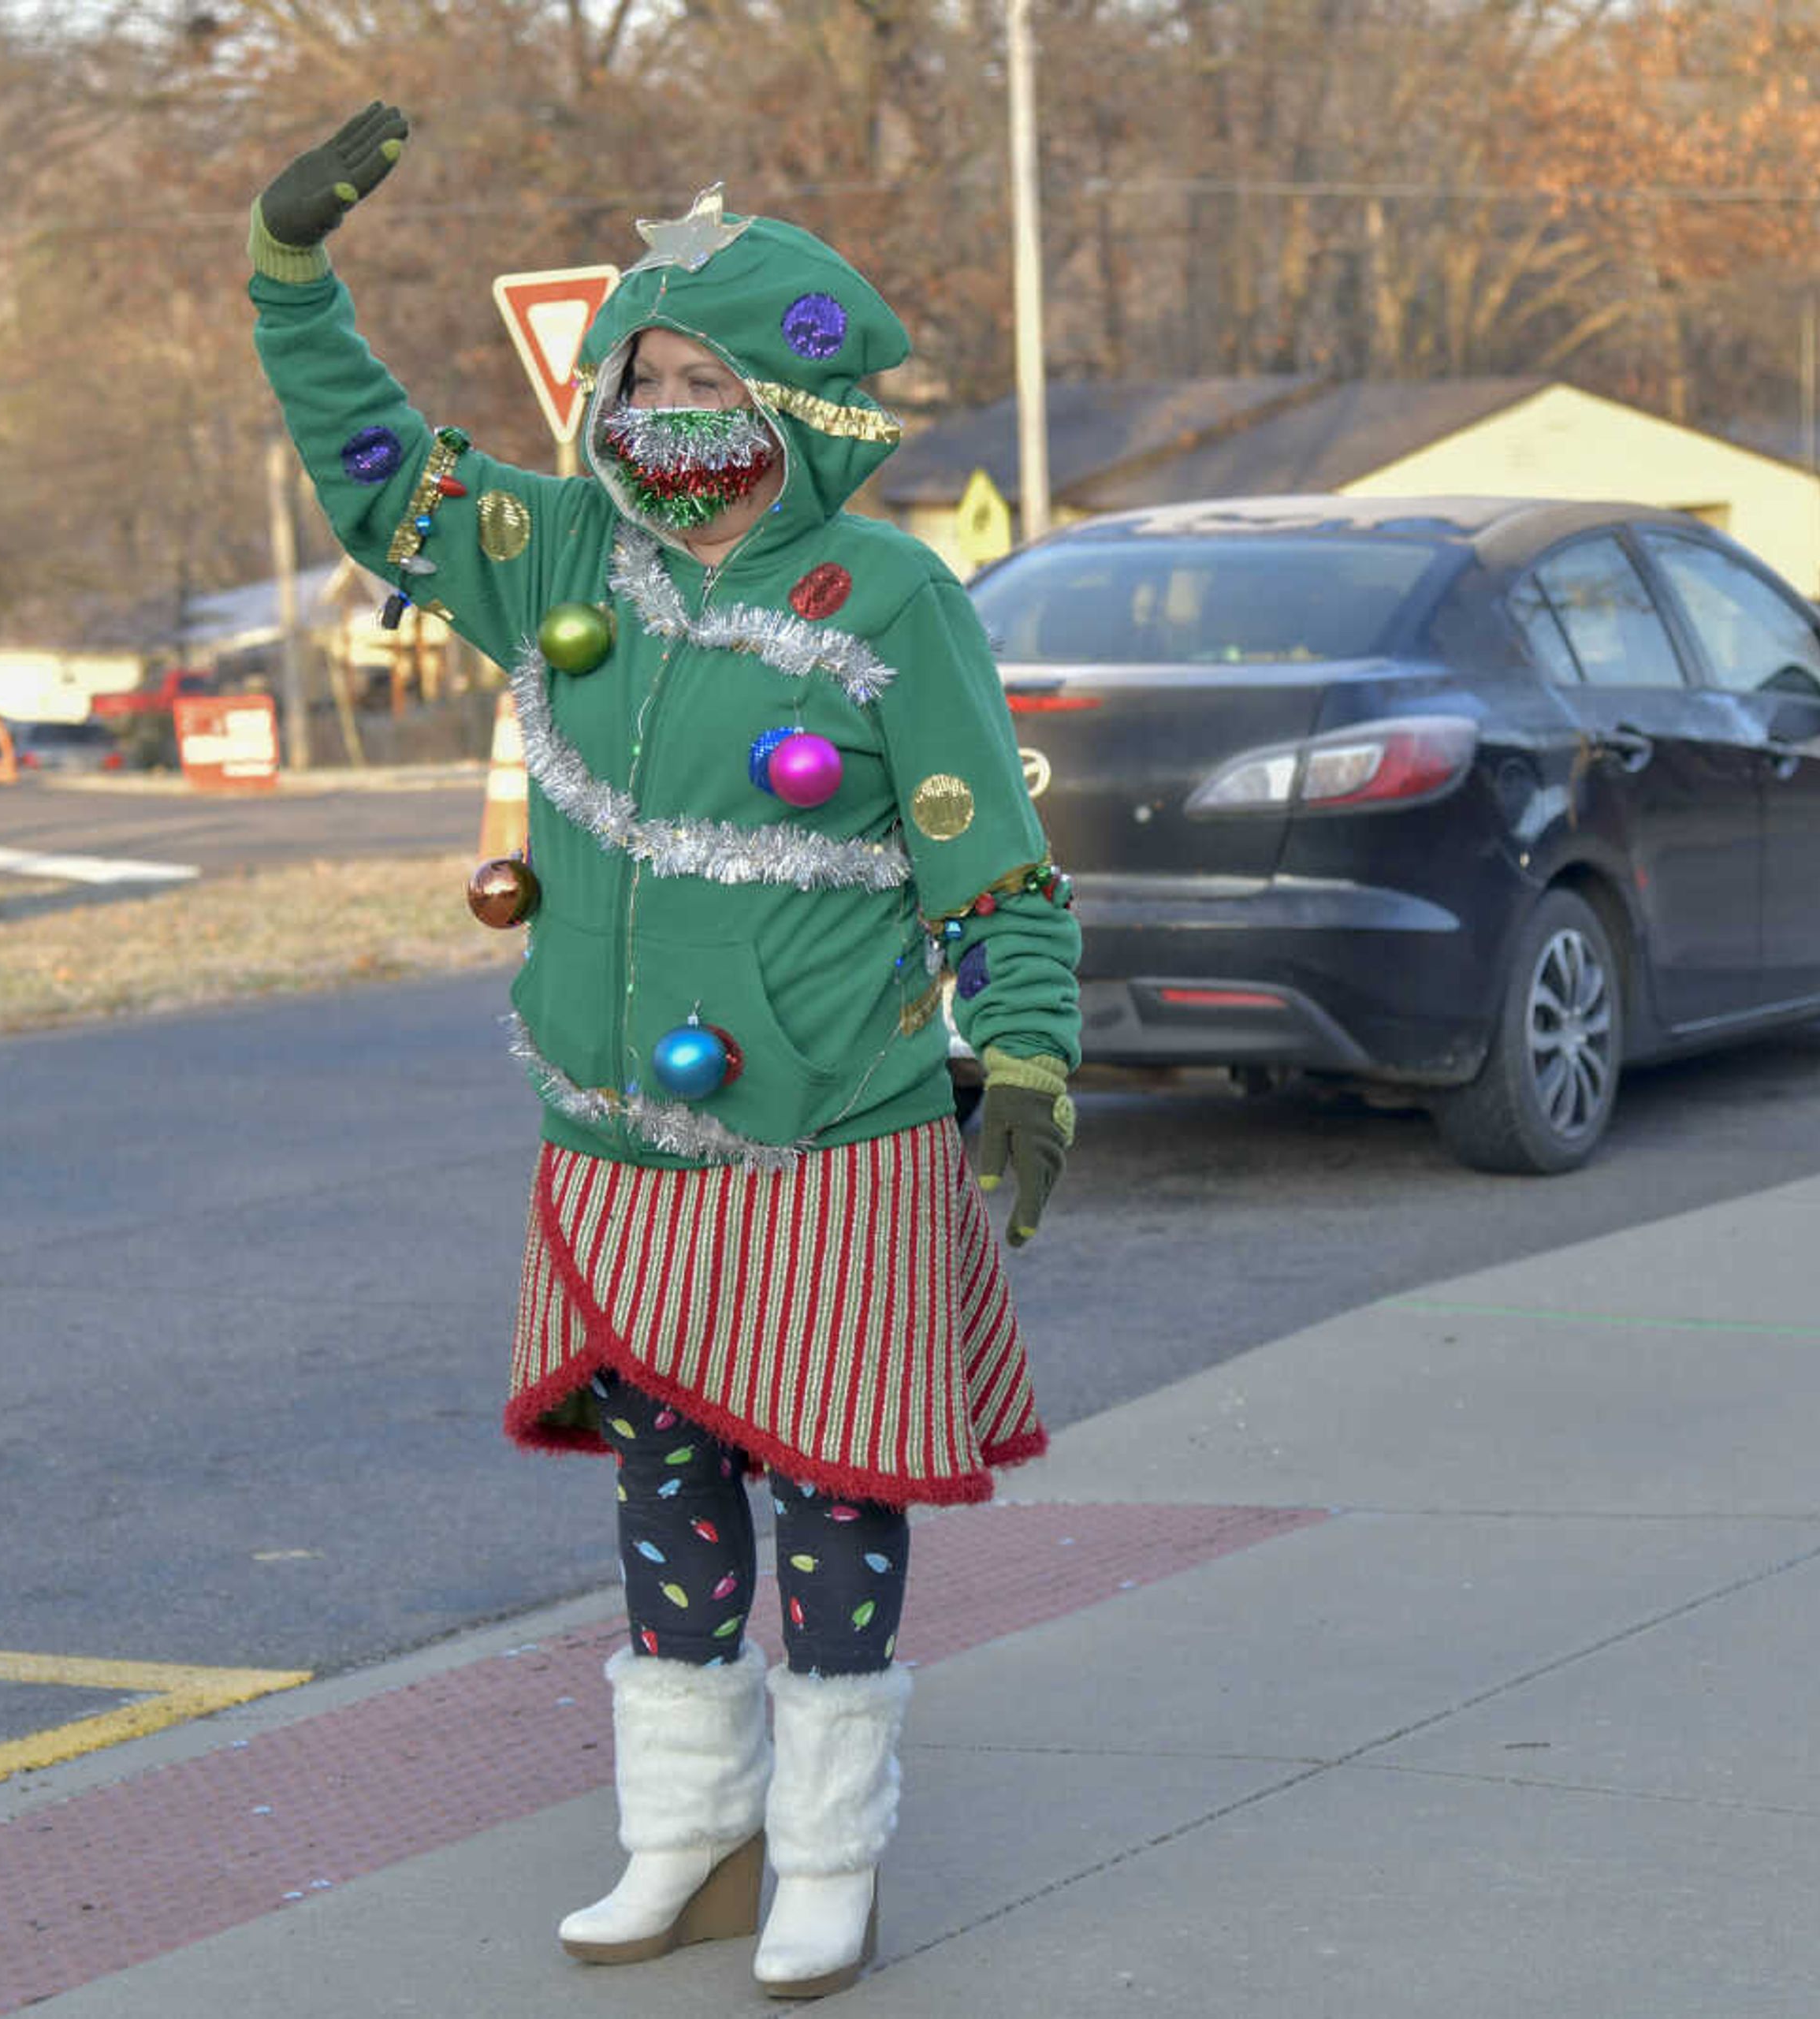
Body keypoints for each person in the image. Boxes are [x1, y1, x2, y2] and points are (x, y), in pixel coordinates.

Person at [247, 105, 1081, 1999]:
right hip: (616, 1151)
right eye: (642, 372)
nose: (664, 406)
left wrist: (1027, 1057)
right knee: (668, 1491)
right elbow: (377, 472)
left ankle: (828, 1853)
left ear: (801, 407)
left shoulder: (889, 598)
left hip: (830, 1141)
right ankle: (685, 1833)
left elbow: (996, 866)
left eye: (704, 377)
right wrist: (292, 281)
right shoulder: (556, 557)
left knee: (838, 1499)